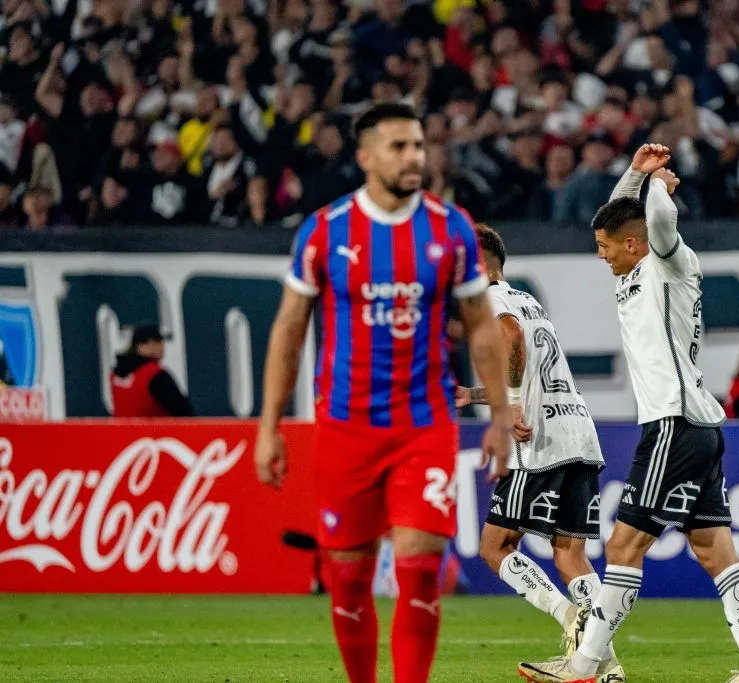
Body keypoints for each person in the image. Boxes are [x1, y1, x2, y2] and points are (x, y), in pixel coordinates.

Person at [255, 102, 513, 683]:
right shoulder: (324, 231)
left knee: (421, 571)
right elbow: (289, 329)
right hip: (345, 428)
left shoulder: (451, 228)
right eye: (399, 147)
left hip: (423, 426)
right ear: (365, 156)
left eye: (418, 145)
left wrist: (499, 414)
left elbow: (480, 323)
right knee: (347, 579)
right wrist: (269, 425)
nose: (413, 157)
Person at [519, 144, 739, 683]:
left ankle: (585, 666)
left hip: (673, 425)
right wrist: (634, 172)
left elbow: (654, 218)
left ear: (634, 244)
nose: (600, 254)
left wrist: (657, 184)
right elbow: (621, 217)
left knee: (622, 546)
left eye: (604, 247)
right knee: (715, 551)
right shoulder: (633, 272)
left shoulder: (670, 262)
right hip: (697, 426)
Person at [454, 224, 623, 682]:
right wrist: (475, 394)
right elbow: (529, 372)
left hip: (540, 443)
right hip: (579, 434)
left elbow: (510, 339)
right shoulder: (527, 300)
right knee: (570, 553)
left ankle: (570, 617)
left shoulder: (492, 300)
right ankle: (603, 665)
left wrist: (507, 403)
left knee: (495, 546)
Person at [110, 324, 193, 417]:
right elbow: (184, 411)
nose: (161, 346)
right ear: (140, 346)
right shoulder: (155, 375)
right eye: (156, 342)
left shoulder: (115, 375)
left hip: (121, 431)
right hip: (153, 431)